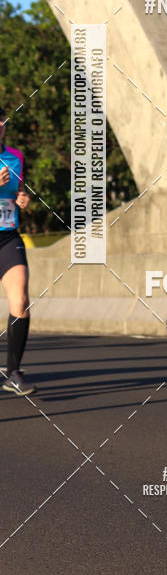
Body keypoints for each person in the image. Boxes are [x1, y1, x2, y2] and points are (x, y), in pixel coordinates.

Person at [0, 110, 35, 396]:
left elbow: (19, 191)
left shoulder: (15, 156)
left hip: (8, 237)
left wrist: (23, 198)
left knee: (21, 299)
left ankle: (13, 373)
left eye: (1, 121)